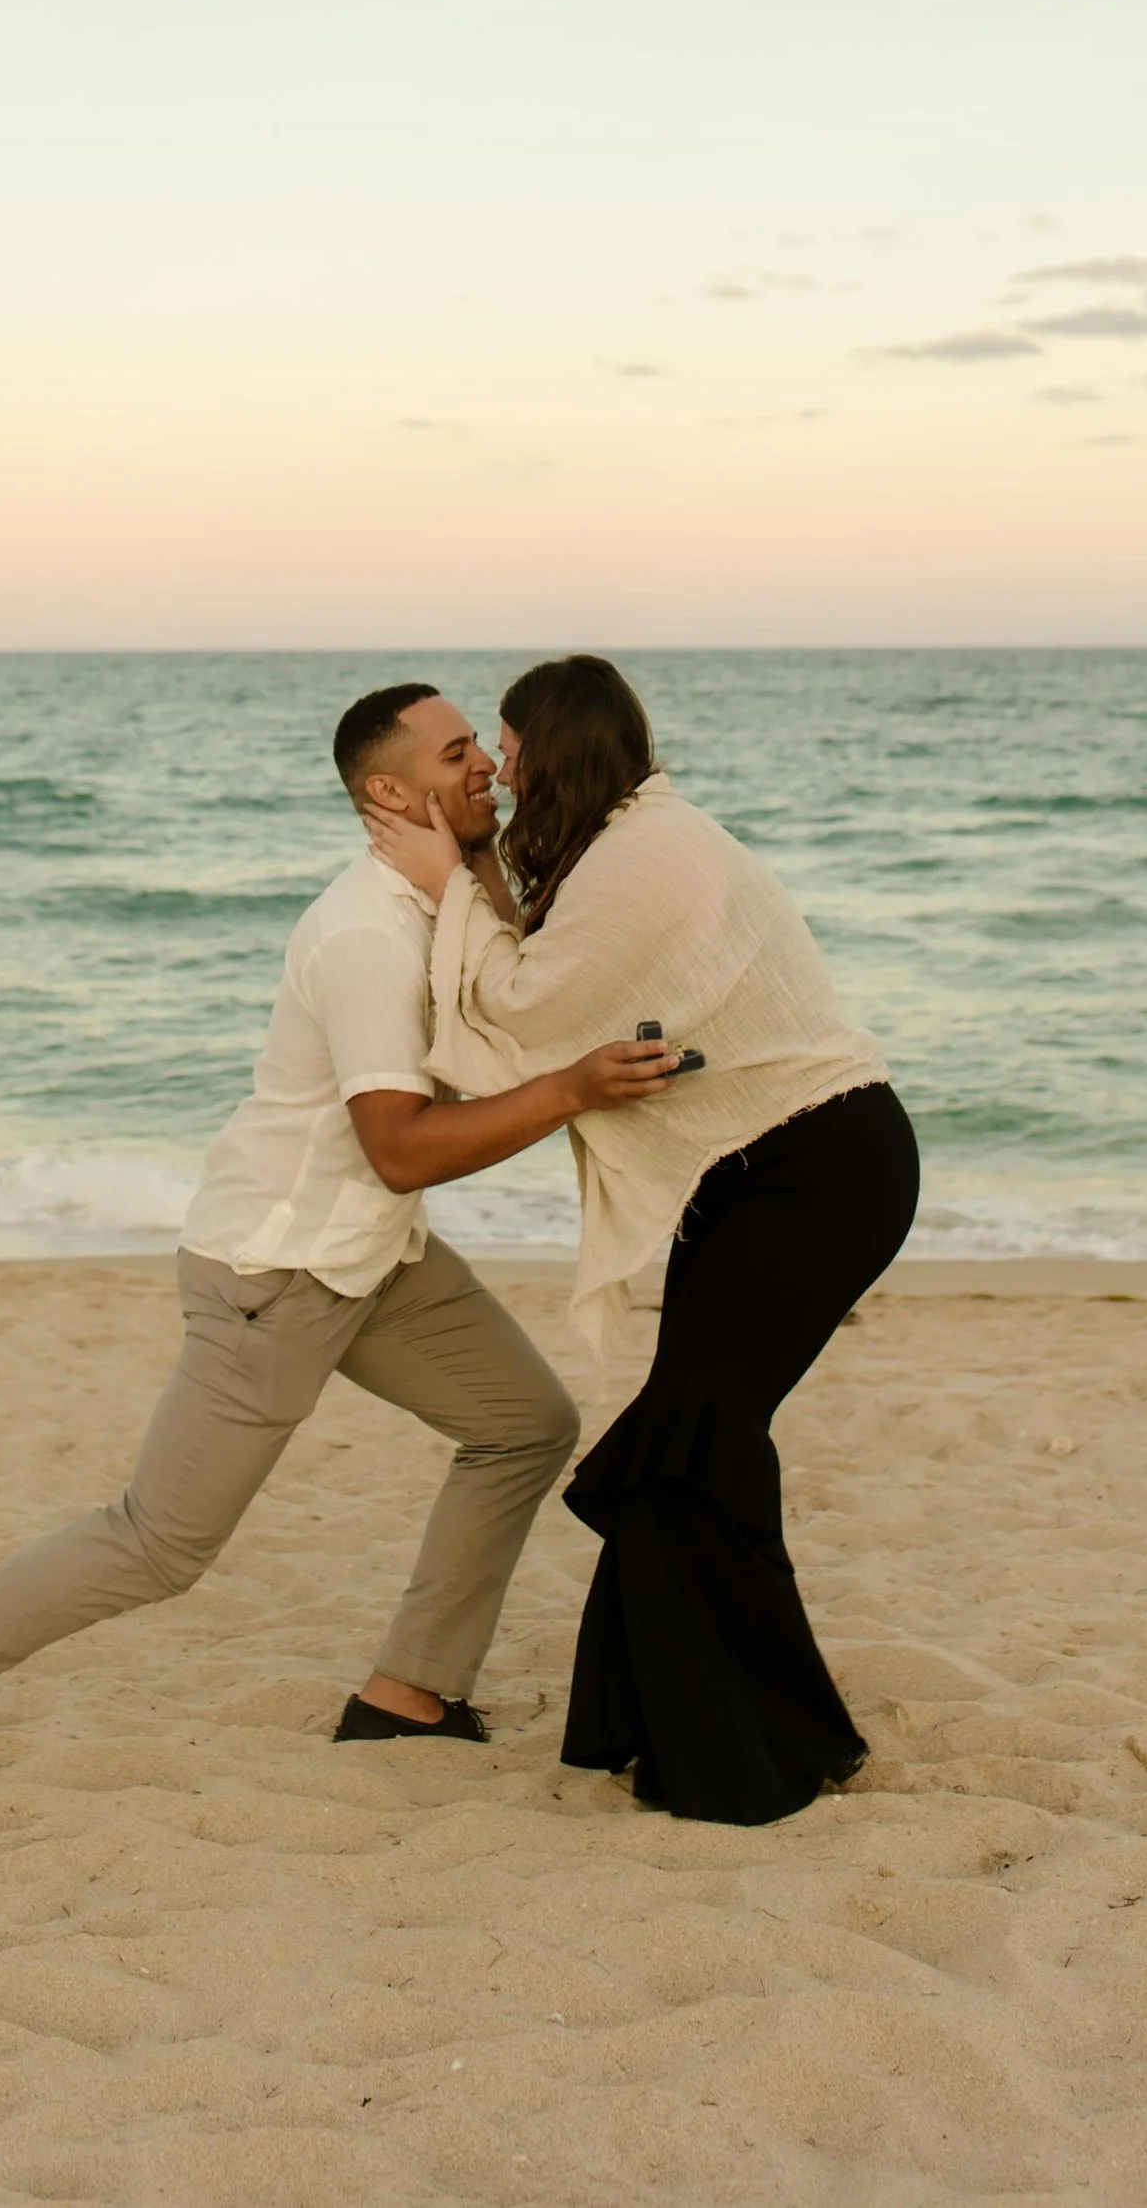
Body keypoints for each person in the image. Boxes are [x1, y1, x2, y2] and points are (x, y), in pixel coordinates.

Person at [0, 683, 682, 1794]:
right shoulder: (364, 936)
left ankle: (407, 1697)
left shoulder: (442, 901)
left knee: (525, 1424)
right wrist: (572, 1090)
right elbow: (398, 1145)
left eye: (480, 750)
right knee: (159, 1543)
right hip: (275, 1271)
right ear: (389, 792)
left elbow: (502, 980)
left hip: (371, 1254)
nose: (485, 765)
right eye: (456, 756)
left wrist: (482, 876)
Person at [366, 653, 918, 1829]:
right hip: (761, 1174)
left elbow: (523, 1009)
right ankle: (740, 1725)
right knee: (702, 1449)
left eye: (506, 746)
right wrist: (469, 871)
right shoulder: (626, 842)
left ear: (551, 745)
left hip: (818, 1171)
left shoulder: (647, 855)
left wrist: (451, 875)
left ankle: (735, 1752)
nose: (500, 772)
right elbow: (552, 983)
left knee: (682, 1451)